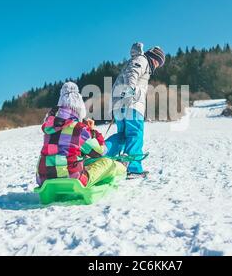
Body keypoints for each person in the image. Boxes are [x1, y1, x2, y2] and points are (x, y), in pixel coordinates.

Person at [36, 82, 126, 187]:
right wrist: (92, 131)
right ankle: (123, 166)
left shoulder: (49, 127)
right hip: (72, 178)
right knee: (107, 163)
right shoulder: (79, 129)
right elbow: (99, 152)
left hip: (43, 178)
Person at [106, 43, 166, 177]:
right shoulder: (142, 60)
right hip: (131, 103)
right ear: (155, 59)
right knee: (135, 134)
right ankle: (133, 168)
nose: (157, 66)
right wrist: (129, 92)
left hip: (121, 104)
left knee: (122, 136)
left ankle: (102, 153)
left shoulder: (138, 60)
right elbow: (132, 73)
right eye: (158, 63)